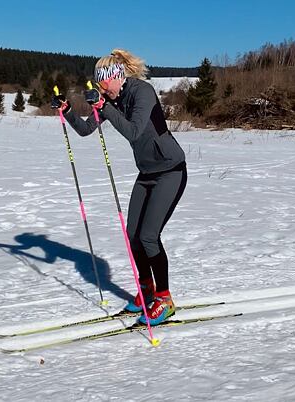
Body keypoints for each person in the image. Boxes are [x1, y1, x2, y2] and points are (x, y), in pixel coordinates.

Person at [51, 49, 187, 325]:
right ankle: (146, 290)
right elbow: (87, 130)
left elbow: (134, 130)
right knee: (133, 234)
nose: (101, 90)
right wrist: (68, 112)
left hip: (170, 170)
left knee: (149, 236)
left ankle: (165, 299)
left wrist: (104, 107)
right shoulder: (114, 98)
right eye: (98, 86)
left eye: (102, 85)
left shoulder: (142, 92)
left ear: (116, 77)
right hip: (147, 172)